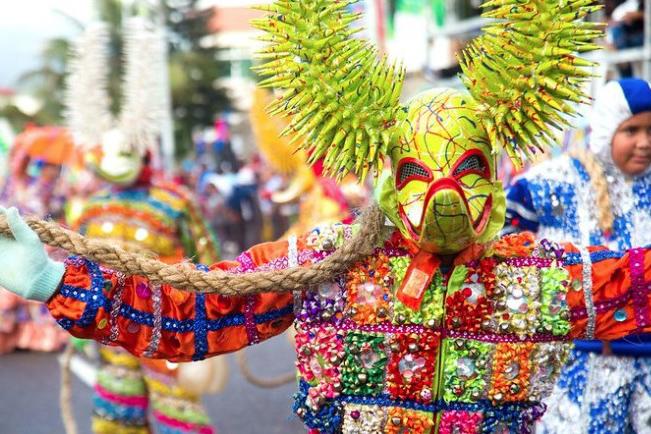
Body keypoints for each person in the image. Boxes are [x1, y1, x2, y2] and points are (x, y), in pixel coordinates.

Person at [1, 1, 649, 433]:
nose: (446, 195)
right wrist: (57, 283)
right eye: (419, 173)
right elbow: (191, 312)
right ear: (389, 176)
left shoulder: (534, 277)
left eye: (468, 170)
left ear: (495, 174)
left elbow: (637, 286)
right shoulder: (330, 264)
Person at [62, 21, 222, 434]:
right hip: (109, 326)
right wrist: (77, 324)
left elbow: (207, 258)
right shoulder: (88, 208)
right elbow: (78, 268)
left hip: (167, 325)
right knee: (117, 410)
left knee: (177, 411)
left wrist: (215, 313)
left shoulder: (174, 201)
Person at [504, 78, 651, 433]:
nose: (644, 143)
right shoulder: (550, 182)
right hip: (577, 370)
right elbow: (506, 251)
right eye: (631, 130)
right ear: (604, 130)